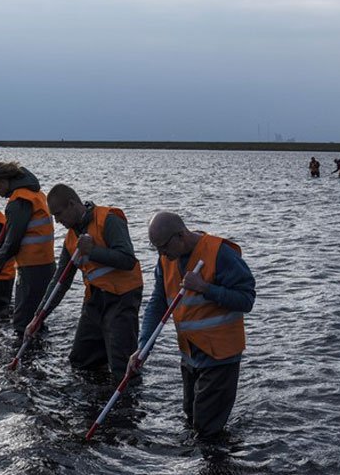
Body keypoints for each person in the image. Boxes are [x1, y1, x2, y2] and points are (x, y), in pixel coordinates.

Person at [131, 211, 255, 439]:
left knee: (206, 428)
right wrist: (144, 345)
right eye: (156, 248)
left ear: (180, 236)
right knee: (191, 418)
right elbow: (157, 303)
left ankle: (216, 470)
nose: (161, 254)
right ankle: (203, 467)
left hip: (220, 356)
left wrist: (206, 288)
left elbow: (246, 300)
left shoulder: (220, 254)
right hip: (190, 355)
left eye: (164, 247)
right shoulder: (166, 259)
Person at [44, 183, 144, 375]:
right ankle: (92, 401)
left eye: (58, 214)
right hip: (94, 299)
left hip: (121, 298)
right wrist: (40, 316)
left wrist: (93, 251)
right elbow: (60, 281)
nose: (57, 221)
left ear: (72, 204)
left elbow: (128, 260)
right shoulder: (71, 238)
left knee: (122, 366)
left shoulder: (108, 219)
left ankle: (125, 401)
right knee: (81, 360)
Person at [0, 162, 56, 337]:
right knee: (36, 315)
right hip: (45, 262)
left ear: (2, 182)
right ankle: (39, 353)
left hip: (32, 265)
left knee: (23, 320)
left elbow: (12, 242)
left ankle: (24, 356)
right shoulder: (35, 193)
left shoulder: (19, 201)